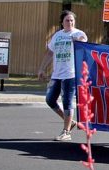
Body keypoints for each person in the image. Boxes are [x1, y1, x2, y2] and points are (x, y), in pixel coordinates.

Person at [37, 10, 88, 141]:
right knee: (50, 100)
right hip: (57, 74)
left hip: (70, 74)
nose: (70, 22)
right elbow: (49, 53)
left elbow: (83, 41)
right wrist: (42, 69)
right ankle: (70, 123)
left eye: (72, 20)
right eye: (67, 20)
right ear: (62, 22)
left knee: (67, 102)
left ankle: (66, 132)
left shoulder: (78, 33)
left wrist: (77, 40)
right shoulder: (57, 36)